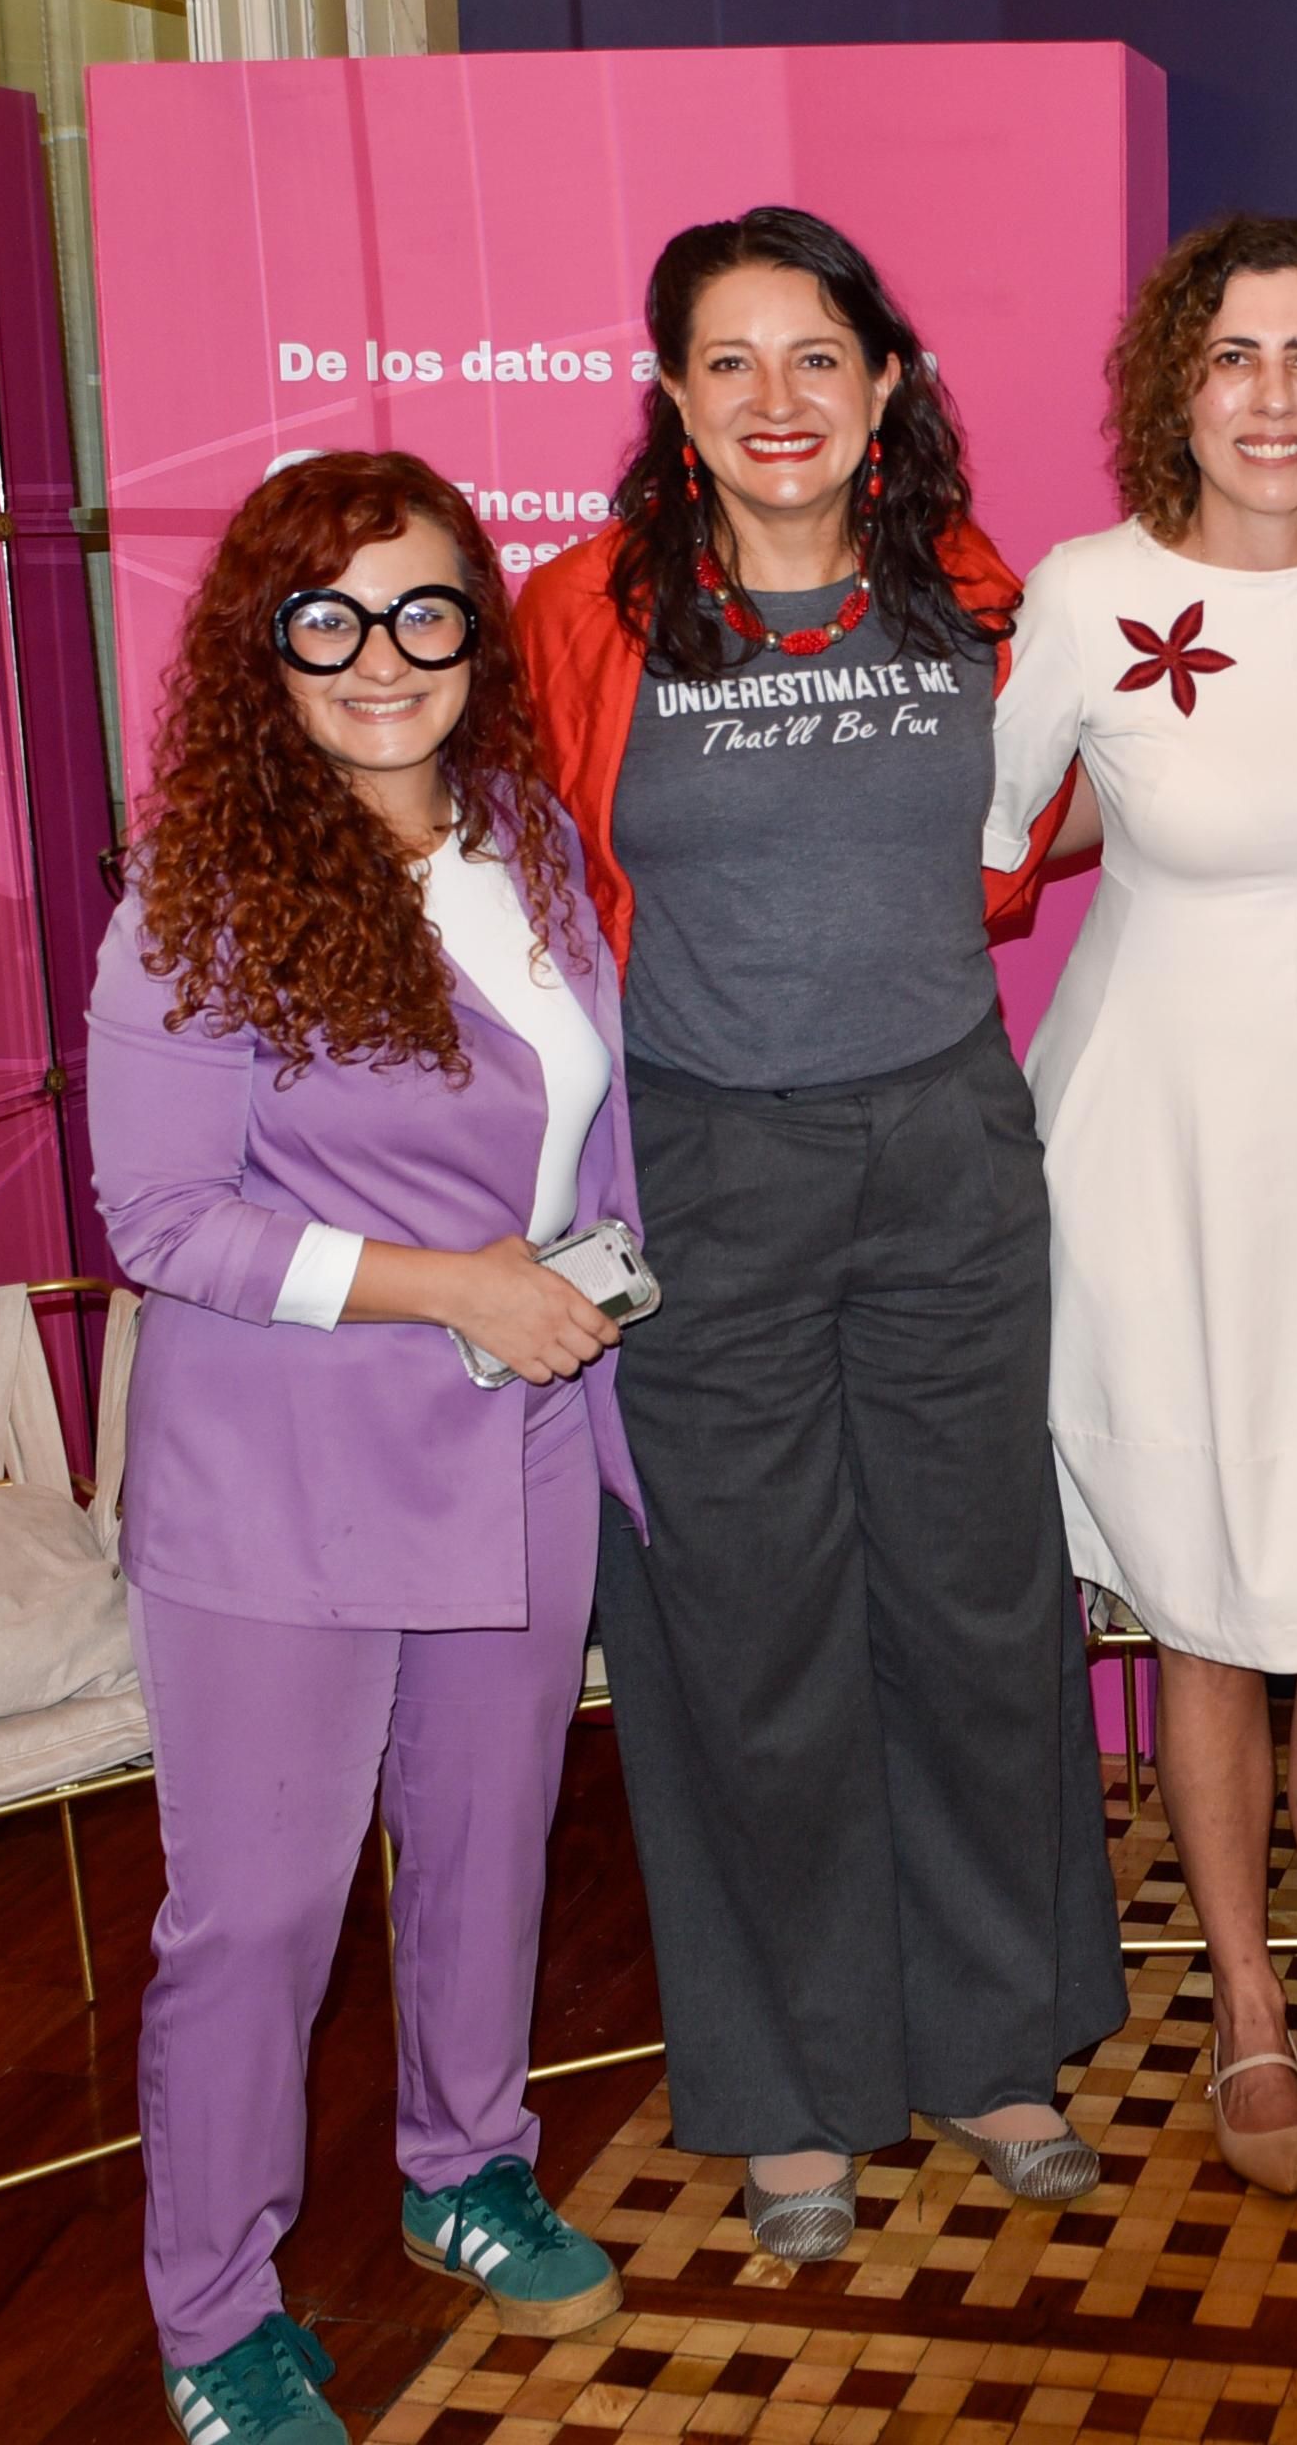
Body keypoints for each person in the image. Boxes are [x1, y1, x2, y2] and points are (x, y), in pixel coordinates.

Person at [517, 207, 1123, 2253]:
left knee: (973, 1608)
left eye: (816, 357)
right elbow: (499, 864)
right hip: (703, 1172)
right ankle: (791, 2088)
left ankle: (995, 2039)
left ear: (885, 387)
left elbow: (1053, 821)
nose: (776, 397)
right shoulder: (579, 613)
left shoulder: (976, 591)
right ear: (673, 398)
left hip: (948, 1154)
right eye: (730, 361)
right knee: (748, 1629)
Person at [93, 451, 640, 2445]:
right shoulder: (200, 895)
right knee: (257, 1911)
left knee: (491, 1842)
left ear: (476, 632)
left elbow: (587, 1124)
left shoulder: (529, 838)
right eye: (327, 618)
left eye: (422, 610)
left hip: (521, 1437)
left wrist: (590, 1293)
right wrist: (454, 1286)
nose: (381, 656)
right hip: (284, 1478)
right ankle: (212, 2307)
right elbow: (163, 1219)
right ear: (267, 649)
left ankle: (465, 2165)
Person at [981, 214, 1297, 2196]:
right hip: (1159, 1151)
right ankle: (1247, 2011)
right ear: (1175, 385)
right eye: (1234, 356)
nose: (1271, 398)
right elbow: (993, 835)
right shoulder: (1090, 589)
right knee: (1203, 1600)